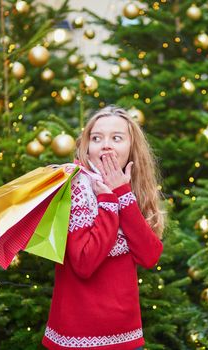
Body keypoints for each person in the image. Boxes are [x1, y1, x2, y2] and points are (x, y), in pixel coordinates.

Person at [42, 106, 166, 350]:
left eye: (116, 138)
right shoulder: (73, 188)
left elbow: (149, 256)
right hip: (75, 338)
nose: (106, 145)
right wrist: (108, 201)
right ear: (86, 146)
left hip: (127, 337)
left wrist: (121, 192)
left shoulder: (133, 188)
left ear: (132, 147)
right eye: (96, 138)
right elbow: (84, 263)